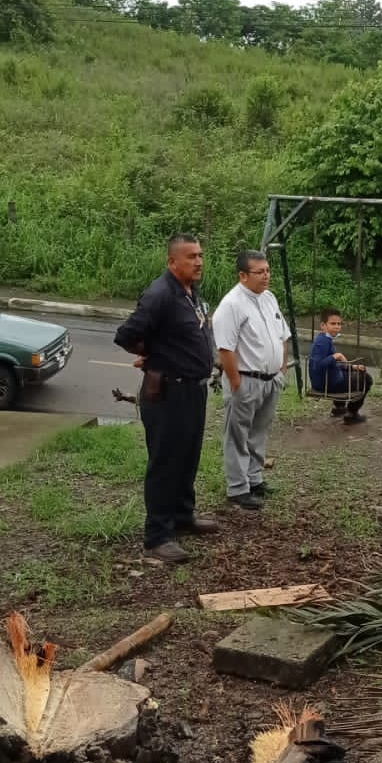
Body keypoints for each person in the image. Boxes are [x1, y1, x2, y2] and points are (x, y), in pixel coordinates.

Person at [113, 233, 220, 564]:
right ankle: (157, 537)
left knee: (188, 456)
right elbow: (126, 335)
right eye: (191, 257)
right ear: (173, 261)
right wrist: (154, 354)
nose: (198, 262)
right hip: (168, 391)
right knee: (166, 462)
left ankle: (183, 516)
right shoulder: (159, 295)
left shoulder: (190, 291)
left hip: (193, 389)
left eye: (200, 255)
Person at [213, 249, 291, 511]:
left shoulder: (269, 298)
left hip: (270, 380)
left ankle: (254, 478)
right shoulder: (231, 305)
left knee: (259, 431)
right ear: (243, 275)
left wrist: (281, 371)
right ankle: (238, 487)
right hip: (246, 379)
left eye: (268, 270)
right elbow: (226, 348)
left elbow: (283, 336)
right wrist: (236, 382)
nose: (266, 276)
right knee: (238, 434)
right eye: (260, 272)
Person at [309, 309, 373, 424]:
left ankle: (339, 408)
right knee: (367, 379)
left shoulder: (324, 338)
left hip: (328, 380)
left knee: (353, 372)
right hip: (326, 384)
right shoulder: (323, 342)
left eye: (339, 324)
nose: (337, 327)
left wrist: (352, 367)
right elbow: (318, 365)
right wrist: (336, 355)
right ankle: (351, 414)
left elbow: (333, 364)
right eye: (333, 323)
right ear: (323, 325)